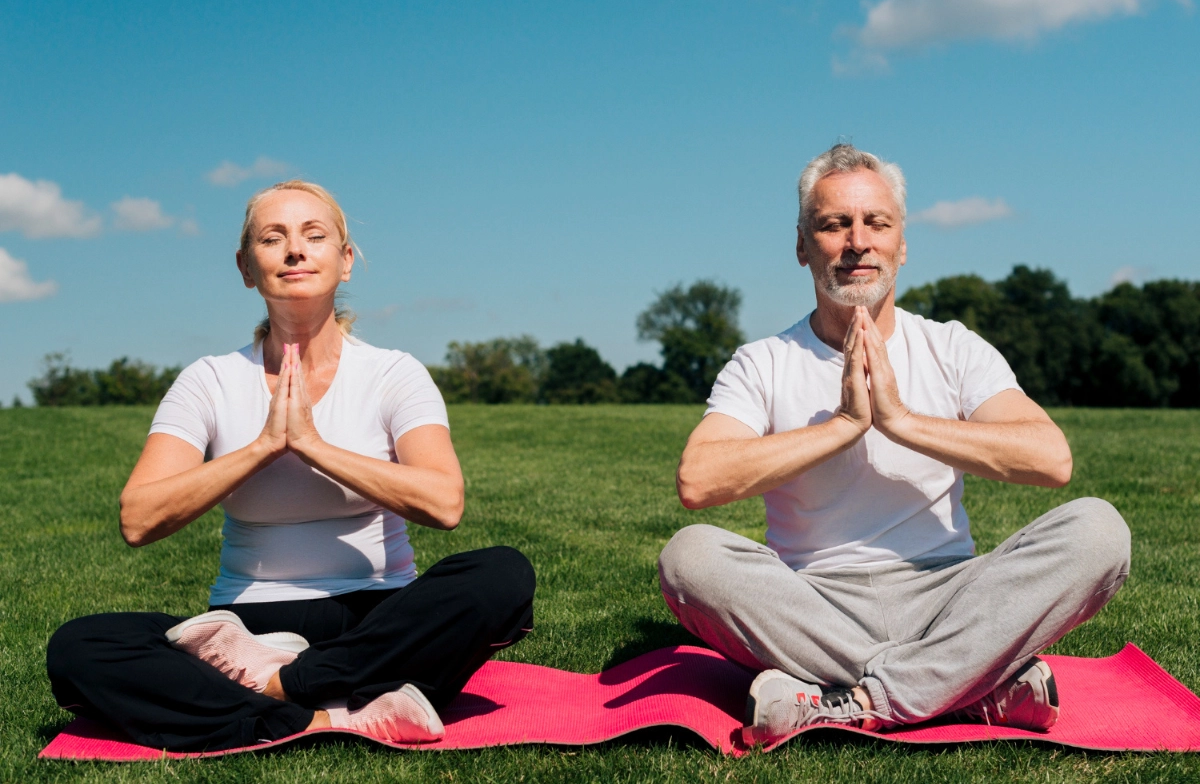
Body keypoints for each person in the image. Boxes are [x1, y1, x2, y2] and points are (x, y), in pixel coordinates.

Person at [657, 144, 1130, 745]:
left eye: (876, 223)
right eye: (834, 224)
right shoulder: (763, 363)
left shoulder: (955, 348)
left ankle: (852, 699)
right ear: (802, 246)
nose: (858, 241)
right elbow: (698, 481)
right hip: (812, 605)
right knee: (689, 558)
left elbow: (1050, 459)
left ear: (902, 243)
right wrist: (842, 426)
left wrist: (900, 420)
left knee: (1099, 530)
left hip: (950, 597)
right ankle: (970, 685)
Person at [46, 180, 535, 752]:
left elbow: (444, 502)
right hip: (248, 630)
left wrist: (312, 445)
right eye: (272, 237)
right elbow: (138, 518)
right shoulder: (209, 380)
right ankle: (336, 713)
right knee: (81, 646)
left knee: (501, 575)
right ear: (246, 267)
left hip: (381, 619)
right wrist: (261, 448)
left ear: (345, 260)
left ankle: (277, 692)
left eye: (314, 235)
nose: (295, 250)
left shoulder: (393, 374)